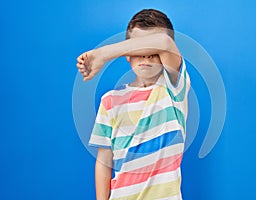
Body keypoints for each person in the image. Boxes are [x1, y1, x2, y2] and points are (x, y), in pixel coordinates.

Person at [76, 9, 191, 200]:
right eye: (139, 50)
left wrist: (103, 54)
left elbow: (164, 43)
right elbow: (104, 161)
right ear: (128, 54)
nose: (146, 57)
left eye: (152, 51)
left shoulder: (174, 89)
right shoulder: (110, 100)